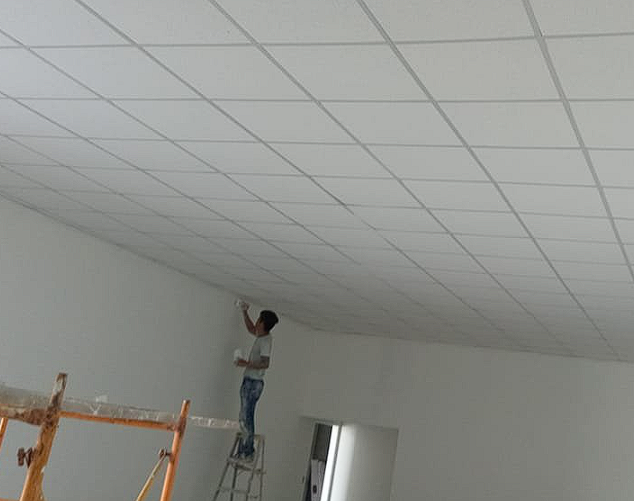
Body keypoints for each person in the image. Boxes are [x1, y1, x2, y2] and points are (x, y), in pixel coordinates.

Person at [234, 302, 278, 461]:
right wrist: (244, 312)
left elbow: (265, 363)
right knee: (245, 416)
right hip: (251, 381)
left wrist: (246, 363)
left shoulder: (265, 341)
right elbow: (251, 329)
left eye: (259, 320)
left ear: (263, 323)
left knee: (246, 416)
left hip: (253, 383)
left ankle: (247, 452)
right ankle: (245, 450)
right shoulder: (262, 336)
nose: (257, 322)